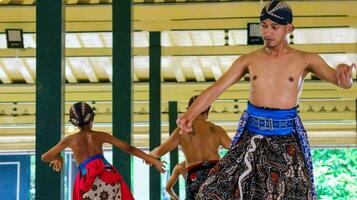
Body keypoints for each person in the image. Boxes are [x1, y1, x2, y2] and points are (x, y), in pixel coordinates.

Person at [177, 1, 355, 199]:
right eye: (264, 26)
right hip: (251, 136)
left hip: (286, 138)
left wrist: (345, 77)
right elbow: (216, 89)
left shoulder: (306, 60)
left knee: (296, 194)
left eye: (274, 27)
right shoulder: (249, 60)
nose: (267, 32)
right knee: (211, 192)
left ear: (289, 28)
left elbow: (341, 82)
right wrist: (189, 115)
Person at [41, 102, 165, 200]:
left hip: (88, 185)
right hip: (108, 180)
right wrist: (153, 160)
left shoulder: (69, 140)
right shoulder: (101, 135)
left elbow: (45, 157)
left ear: (74, 123)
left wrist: (59, 158)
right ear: (92, 118)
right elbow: (129, 148)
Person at [151, 95, 232, 200]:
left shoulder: (182, 131)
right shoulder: (216, 130)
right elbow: (235, 150)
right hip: (215, 175)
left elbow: (160, 152)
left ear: (190, 110)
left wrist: (152, 154)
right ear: (208, 110)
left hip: (195, 176)